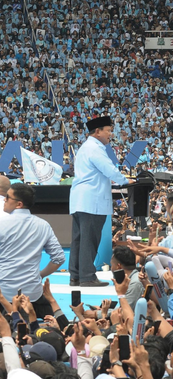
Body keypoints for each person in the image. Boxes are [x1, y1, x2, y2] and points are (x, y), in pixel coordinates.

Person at [0, 183, 65, 318]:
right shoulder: (43, 225)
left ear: (19, 204)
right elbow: (59, 258)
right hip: (32, 294)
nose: (4, 200)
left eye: (7, 197)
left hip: (2, 293)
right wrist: (39, 275)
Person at [69, 116, 135, 287]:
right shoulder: (95, 148)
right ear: (97, 131)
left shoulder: (86, 147)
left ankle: (76, 276)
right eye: (109, 131)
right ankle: (87, 277)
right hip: (91, 200)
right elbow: (108, 168)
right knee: (89, 240)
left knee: (79, 239)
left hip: (80, 199)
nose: (110, 134)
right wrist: (124, 180)